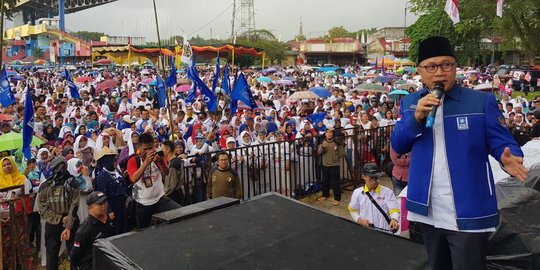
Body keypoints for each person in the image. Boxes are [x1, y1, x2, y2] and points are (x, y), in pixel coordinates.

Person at [391, 36, 528, 270]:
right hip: (427, 206)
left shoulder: (480, 101)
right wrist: (416, 118)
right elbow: (399, 143)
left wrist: (509, 155)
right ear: (421, 71)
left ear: (455, 67)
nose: (439, 72)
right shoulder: (411, 103)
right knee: (437, 265)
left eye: (447, 64)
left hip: (468, 208)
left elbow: (501, 142)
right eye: (431, 66)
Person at [126, 133, 180, 229]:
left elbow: (167, 173)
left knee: (179, 213)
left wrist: (161, 162)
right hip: (143, 203)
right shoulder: (133, 160)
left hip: (160, 198)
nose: (148, 151)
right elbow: (133, 179)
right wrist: (146, 162)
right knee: (144, 230)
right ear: (139, 147)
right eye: (145, 149)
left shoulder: (157, 156)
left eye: (150, 148)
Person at [38, 157, 80, 270]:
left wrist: (65, 220)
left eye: (63, 166)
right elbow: (42, 207)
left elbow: (74, 205)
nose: (62, 168)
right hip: (61, 222)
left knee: (71, 253)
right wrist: (62, 219)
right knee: (56, 253)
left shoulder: (72, 183)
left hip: (62, 222)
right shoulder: (46, 185)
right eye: (60, 166)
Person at [69, 191, 115, 270]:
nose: (104, 205)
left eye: (105, 202)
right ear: (89, 208)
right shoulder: (85, 230)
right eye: (100, 204)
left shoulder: (108, 222)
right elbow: (74, 257)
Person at [348, 163, 400, 233]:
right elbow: (352, 210)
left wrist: (394, 219)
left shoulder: (388, 192)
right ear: (364, 177)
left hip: (384, 232)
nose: (375, 181)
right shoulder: (357, 193)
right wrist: (359, 220)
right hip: (366, 231)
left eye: (377, 178)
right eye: (371, 178)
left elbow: (394, 210)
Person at [95, 147, 128, 234]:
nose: (115, 162)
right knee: (115, 229)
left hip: (122, 204)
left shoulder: (117, 171)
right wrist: (109, 211)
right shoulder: (102, 176)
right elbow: (103, 195)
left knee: (123, 226)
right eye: (113, 160)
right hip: (113, 204)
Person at [317, 128, 345, 206]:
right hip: (325, 165)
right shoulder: (323, 142)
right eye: (327, 132)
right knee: (325, 181)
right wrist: (322, 147)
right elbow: (319, 152)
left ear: (333, 134)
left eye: (330, 132)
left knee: (335, 183)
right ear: (325, 134)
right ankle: (325, 195)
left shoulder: (336, 142)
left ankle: (337, 198)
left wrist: (338, 147)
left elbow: (343, 154)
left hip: (334, 165)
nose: (329, 134)